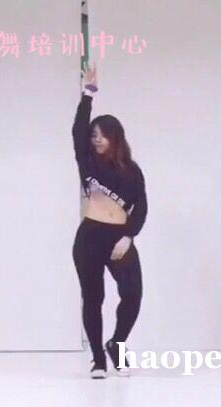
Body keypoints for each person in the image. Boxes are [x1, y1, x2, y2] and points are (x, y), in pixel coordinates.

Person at [71, 63, 147, 378]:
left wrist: (128, 236)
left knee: (132, 293)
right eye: (94, 136)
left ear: (115, 137)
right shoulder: (87, 161)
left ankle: (116, 344)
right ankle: (98, 360)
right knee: (93, 298)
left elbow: (141, 208)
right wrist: (88, 94)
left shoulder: (132, 170)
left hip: (119, 238)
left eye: (102, 136)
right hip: (89, 236)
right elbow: (77, 129)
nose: (96, 140)